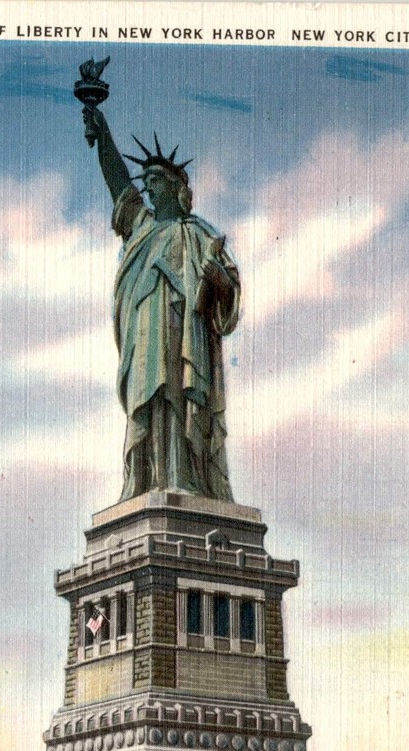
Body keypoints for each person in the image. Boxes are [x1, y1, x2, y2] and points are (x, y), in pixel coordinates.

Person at [83, 106, 240, 502]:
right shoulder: (142, 227)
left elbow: (228, 293)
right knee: (149, 402)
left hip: (185, 335)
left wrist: (218, 280)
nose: (148, 188)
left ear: (175, 187)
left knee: (180, 400)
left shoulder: (199, 235)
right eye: (146, 182)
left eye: (154, 181)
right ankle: (146, 480)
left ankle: (185, 477)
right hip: (145, 336)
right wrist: (102, 132)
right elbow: (119, 184)